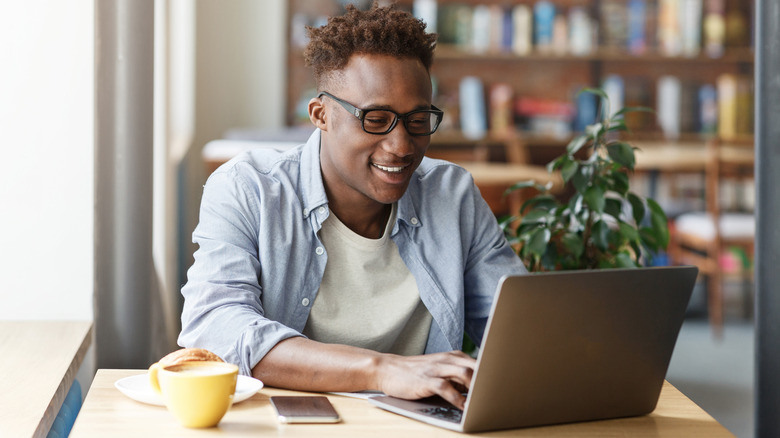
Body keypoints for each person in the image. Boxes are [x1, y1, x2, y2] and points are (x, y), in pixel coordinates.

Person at [178, 2, 526, 410]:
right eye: (376, 119)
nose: (401, 146)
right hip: (284, 423)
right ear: (321, 114)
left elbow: (514, 329)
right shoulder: (248, 189)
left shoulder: (452, 195)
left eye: (417, 120)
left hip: (418, 426)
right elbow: (216, 328)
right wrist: (380, 370)